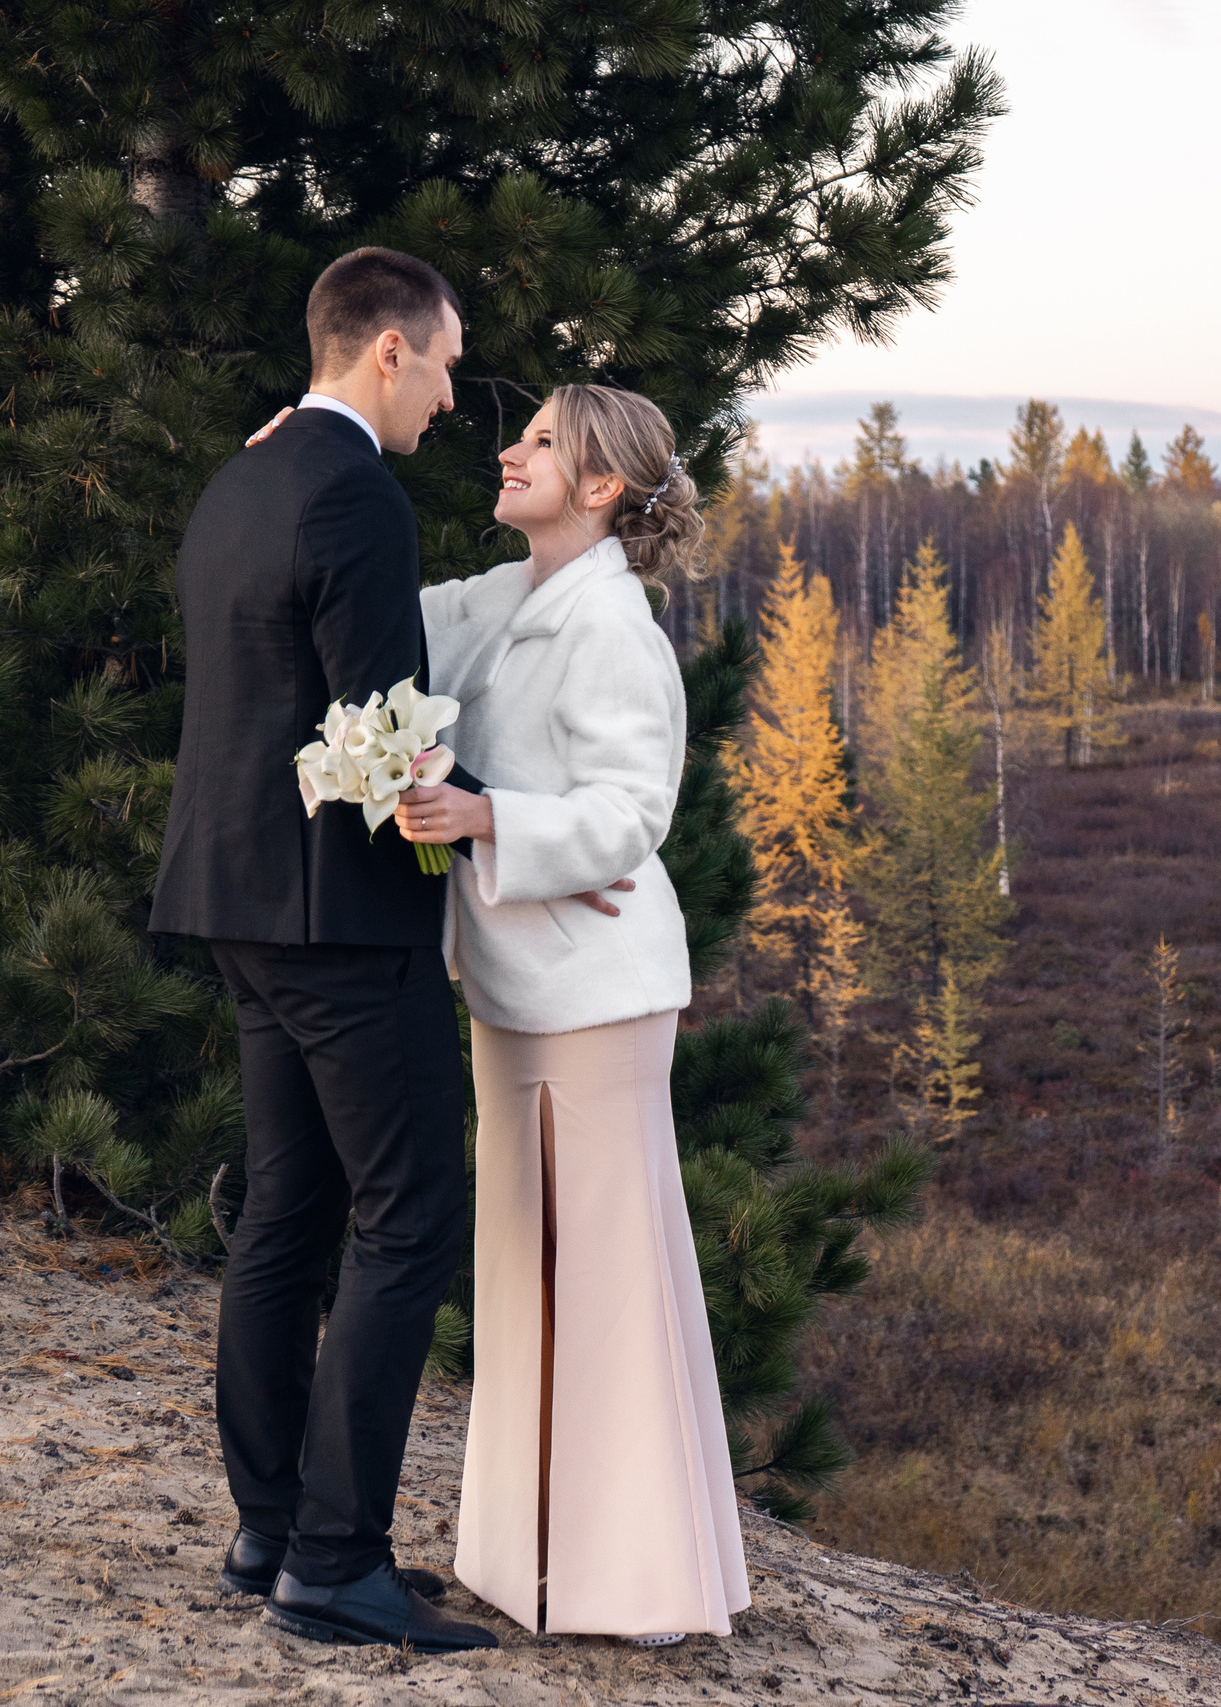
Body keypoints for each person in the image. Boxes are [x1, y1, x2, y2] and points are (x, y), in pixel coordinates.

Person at [150, 246, 500, 1653]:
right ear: (391, 352)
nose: (455, 394)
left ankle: (272, 1524)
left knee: (290, 1210)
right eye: (450, 362)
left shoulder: (245, 476)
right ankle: (340, 1557)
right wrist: (475, 815)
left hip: (231, 896)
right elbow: (375, 722)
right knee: (409, 1213)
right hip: (338, 918)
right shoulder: (355, 487)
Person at [393, 384, 751, 1647]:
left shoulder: (616, 626)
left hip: (598, 1000)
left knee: (597, 1278)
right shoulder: (499, 599)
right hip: (516, 982)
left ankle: (626, 1583)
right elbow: (373, 622)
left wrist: (490, 816)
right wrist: (296, 457)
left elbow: (632, 812)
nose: (510, 449)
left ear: (601, 487)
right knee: (523, 1271)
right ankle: (526, 1565)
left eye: (541, 440)